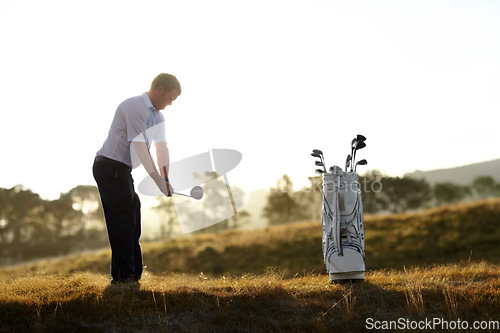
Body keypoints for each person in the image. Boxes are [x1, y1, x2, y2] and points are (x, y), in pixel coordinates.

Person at [93, 73, 180, 284]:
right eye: (169, 99)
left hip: (122, 171)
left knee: (133, 216)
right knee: (123, 219)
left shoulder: (158, 117)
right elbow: (139, 147)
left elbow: (161, 147)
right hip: (109, 166)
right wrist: (158, 182)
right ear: (159, 89)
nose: (169, 104)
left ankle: (133, 275)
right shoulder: (135, 106)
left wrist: (165, 178)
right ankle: (123, 278)